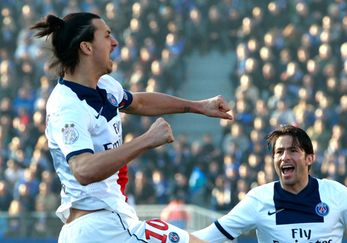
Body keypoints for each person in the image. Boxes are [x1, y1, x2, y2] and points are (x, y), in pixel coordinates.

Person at [31, 12, 232, 243]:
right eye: (107, 36)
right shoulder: (67, 106)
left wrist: (197, 106)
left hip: (104, 225)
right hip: (101, 228)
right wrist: (147, 140)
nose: (114, 43)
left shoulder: (104, 86)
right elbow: (83, 169)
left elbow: (140, 102)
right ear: (86, 47)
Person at [193, 125, 347, 243]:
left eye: (293, 151)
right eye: (279, 152)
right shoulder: (258, 199)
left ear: (309, 158)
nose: (284, 157)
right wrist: (167, 235)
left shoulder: (336, 194)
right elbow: (206, 238)